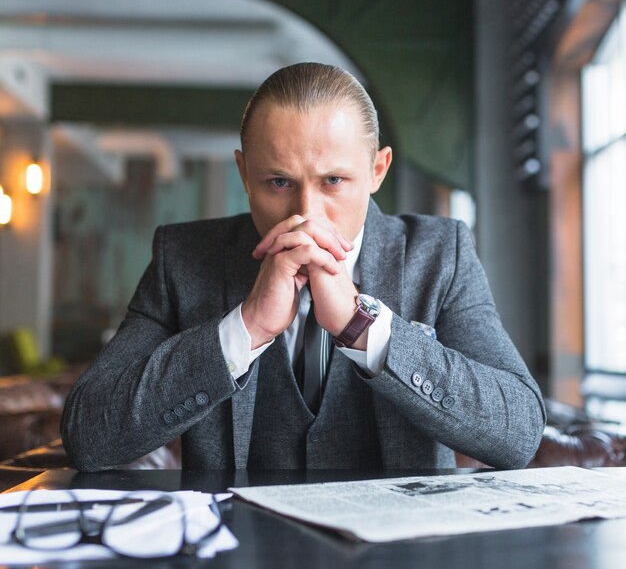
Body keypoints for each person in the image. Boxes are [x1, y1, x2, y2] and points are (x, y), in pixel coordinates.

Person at [61, 62, 545, 472]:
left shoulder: (441, 254)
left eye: (333, 180)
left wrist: (363, 328)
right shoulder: (183, 258)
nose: (305, 214)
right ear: (244, 173)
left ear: (378, 170)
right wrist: (245, 327)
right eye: (278, 182)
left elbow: (519, 431)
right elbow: (88, 435)